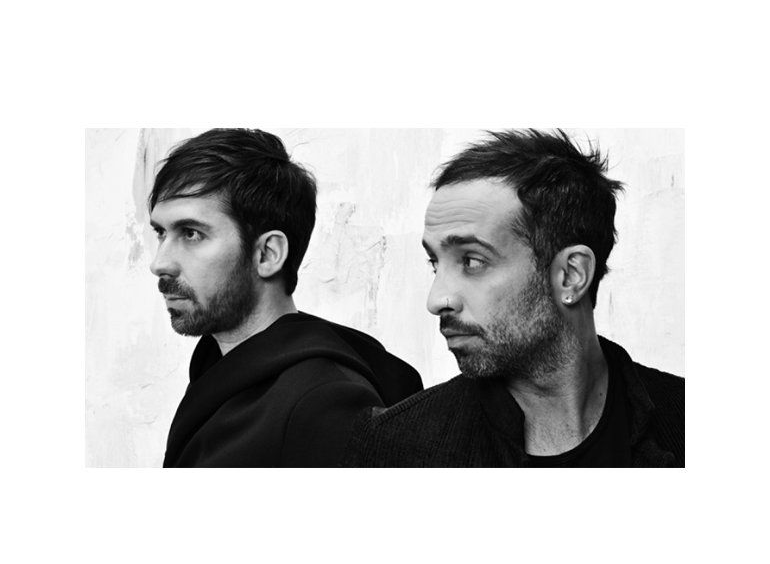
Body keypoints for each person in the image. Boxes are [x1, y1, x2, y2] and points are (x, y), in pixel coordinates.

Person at [344, 129, 684, 467]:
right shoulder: (397, 448)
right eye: (435, 263)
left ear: (571, 275)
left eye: (472, 261)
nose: (436, 300)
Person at [148, 128, 422, 467]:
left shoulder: (322, 403)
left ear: (268, 254)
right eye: (161, 233)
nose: (159, 263)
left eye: (191, 233)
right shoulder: (218, 369)